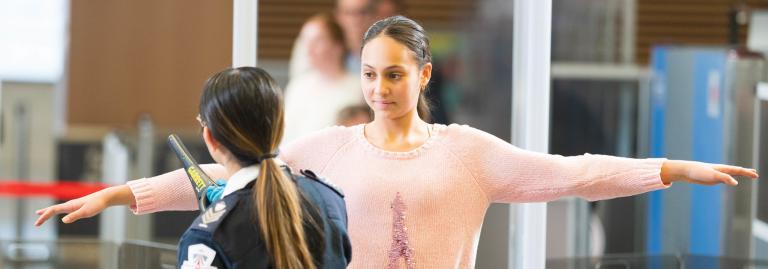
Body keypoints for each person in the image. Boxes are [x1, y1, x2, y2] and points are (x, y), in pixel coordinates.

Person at [36, 16, 758, 268]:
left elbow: (573, 172)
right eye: (370, 73)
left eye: (394, 74)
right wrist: (120, 193)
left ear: (423, 75)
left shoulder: (469, 151)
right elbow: (228, 179)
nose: (380, 87)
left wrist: (670, 166)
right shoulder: (328, 148)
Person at [283, 13, 363, 144]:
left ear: (338, 46)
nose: (309, 48)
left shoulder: (358, 87)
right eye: (306, 41)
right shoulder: (297, 85)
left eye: (318, 41)